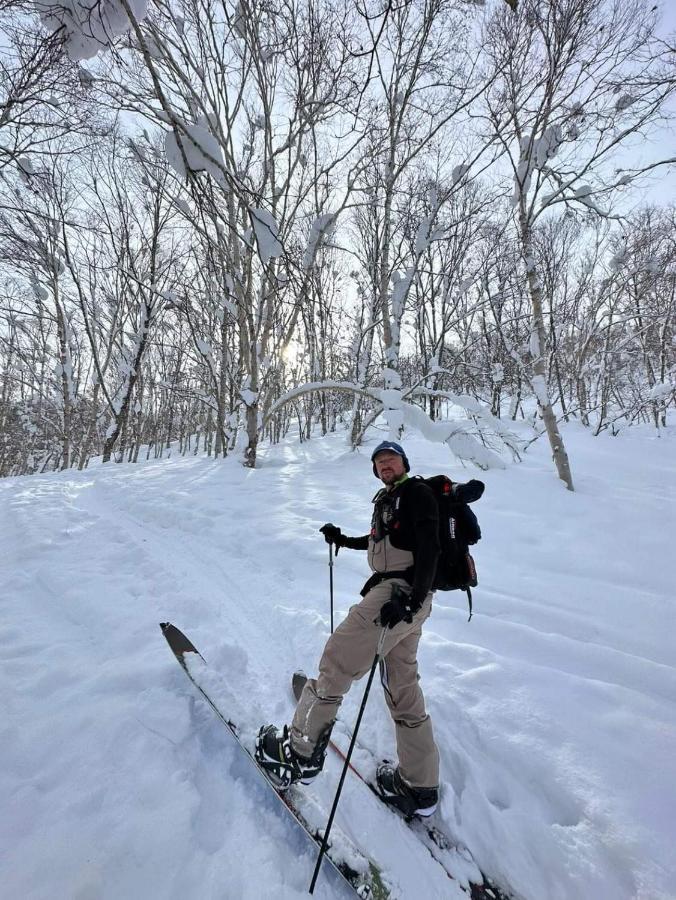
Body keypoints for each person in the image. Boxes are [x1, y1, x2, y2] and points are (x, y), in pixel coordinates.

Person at [255, 440, 442, 817]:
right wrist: (343, 540)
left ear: (404, 463)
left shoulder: (417, 493)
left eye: (391, 459)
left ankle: (299, 753)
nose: (385, 465)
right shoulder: (390, 500)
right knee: (402, 683)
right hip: (408, 601)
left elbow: (431, 547)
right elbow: (384, 545)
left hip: (399, 596)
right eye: (379, 462)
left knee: (338, 659)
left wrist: (408, 598)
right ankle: (421, 786)